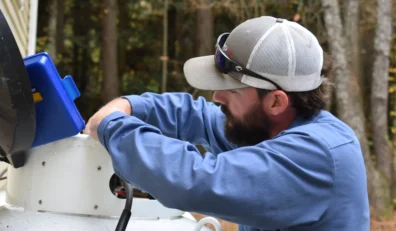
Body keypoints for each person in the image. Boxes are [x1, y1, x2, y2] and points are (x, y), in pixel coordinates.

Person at [84, 16, 370, 231]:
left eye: (231, 91)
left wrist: (114, 126)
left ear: (276, 102)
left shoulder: (315, 154)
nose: (216, 97)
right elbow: (196, 115)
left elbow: (194, 181)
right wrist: (130, 106)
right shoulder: (266, 127)